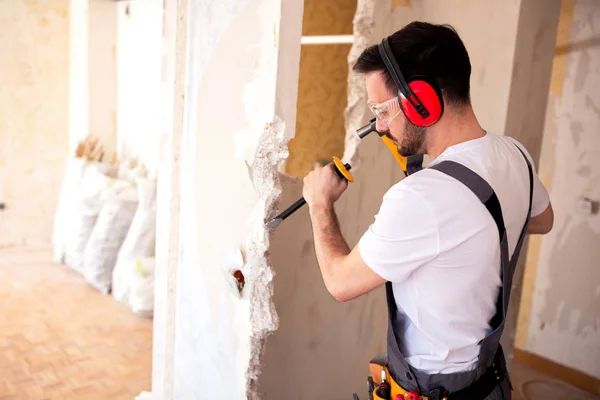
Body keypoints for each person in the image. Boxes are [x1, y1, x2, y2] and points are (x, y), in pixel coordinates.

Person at [302, 22, 554, 399]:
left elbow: (340, 283)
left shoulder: (422, 198)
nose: (381, 126)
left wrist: (319, 204)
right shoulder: (514, 154)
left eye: (382, 110)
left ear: (421, 100)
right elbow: (542, 221)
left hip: (434, 390)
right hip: (488, 384)